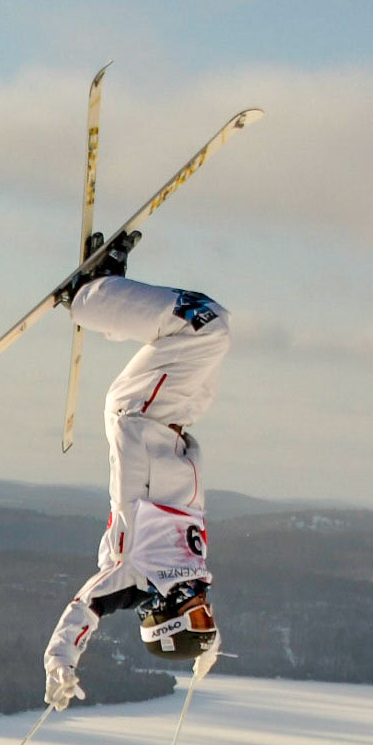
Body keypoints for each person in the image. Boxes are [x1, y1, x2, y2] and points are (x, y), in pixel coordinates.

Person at [43, 243, 227, 711]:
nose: (205, 609)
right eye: (207, 616)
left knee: (205, 324)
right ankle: (107, 296)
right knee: (194, 334)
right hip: (175, 417)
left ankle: (88, 296)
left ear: (166, 619)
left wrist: (61, 660)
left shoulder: (134, 576)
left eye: (199, 618)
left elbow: (85, 608)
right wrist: (207, 647)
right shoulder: (190, 576)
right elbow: (198, 607)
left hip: (140, 413)